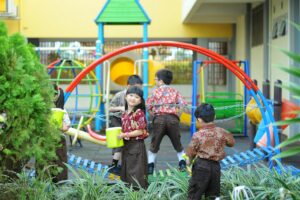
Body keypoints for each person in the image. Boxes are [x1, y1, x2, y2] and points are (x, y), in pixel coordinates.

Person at [185, 103, 235, 200]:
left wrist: (188, 163)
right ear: (215, 117)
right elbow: (231, 143)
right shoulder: (222, 132)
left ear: (199, 120)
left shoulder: (198, 135)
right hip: (215, 167)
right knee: (213, 195)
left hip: (201, 167)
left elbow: (190, 153)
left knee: (194, 193)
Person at [146, 69, 189, 174]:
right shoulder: (175, 91)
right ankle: (182, 163)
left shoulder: (155, 92)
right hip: (172, 119)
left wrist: (153, 114)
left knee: (154, 144)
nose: (155, 82)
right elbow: (183, 104)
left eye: (156, 80)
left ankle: (150, 166)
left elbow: (148, 105)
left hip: (159, 119)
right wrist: (177, 115)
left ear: (160, 81)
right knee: (177, 143)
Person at [108, 75, 143, 175]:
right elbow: (110, 108)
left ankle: (119, 164)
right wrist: (120, 108)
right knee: (118, 142)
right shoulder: (120, 95)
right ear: (128, 86)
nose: (137, 91)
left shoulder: (137, 97)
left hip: (128, 121)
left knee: (127, 142)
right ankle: (114, 165)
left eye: (139, 88)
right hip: (117, 119)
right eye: (135, 88)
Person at [117, 86, 148, 189]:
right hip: (127, 145)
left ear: (140, 101)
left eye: (136, 97)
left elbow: (140, 130)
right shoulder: (125, 113)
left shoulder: (139, 113)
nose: (133, 98)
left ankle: (137, 193)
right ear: (125, 97)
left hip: (136, 145)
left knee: (136, 171)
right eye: (130, 95)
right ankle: (128, 192)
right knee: (127, 168)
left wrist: (124, 135)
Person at [52, 84, 71, 182]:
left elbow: (66, 127)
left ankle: (60, 186)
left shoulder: (62, 110)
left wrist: (58, 123)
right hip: (45, 140)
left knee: (60, 165)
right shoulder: (42, 110)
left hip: (59, 140)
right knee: (44, 167)